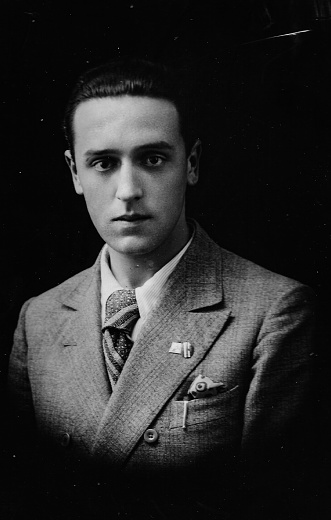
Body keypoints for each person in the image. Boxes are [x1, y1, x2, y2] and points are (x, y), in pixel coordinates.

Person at [7, 58, 315, 520]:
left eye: (152, 159)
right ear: (74, 173)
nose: (128, 190)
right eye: (103, 163)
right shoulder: (40, 317)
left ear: (190, 164)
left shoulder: (274, 311)